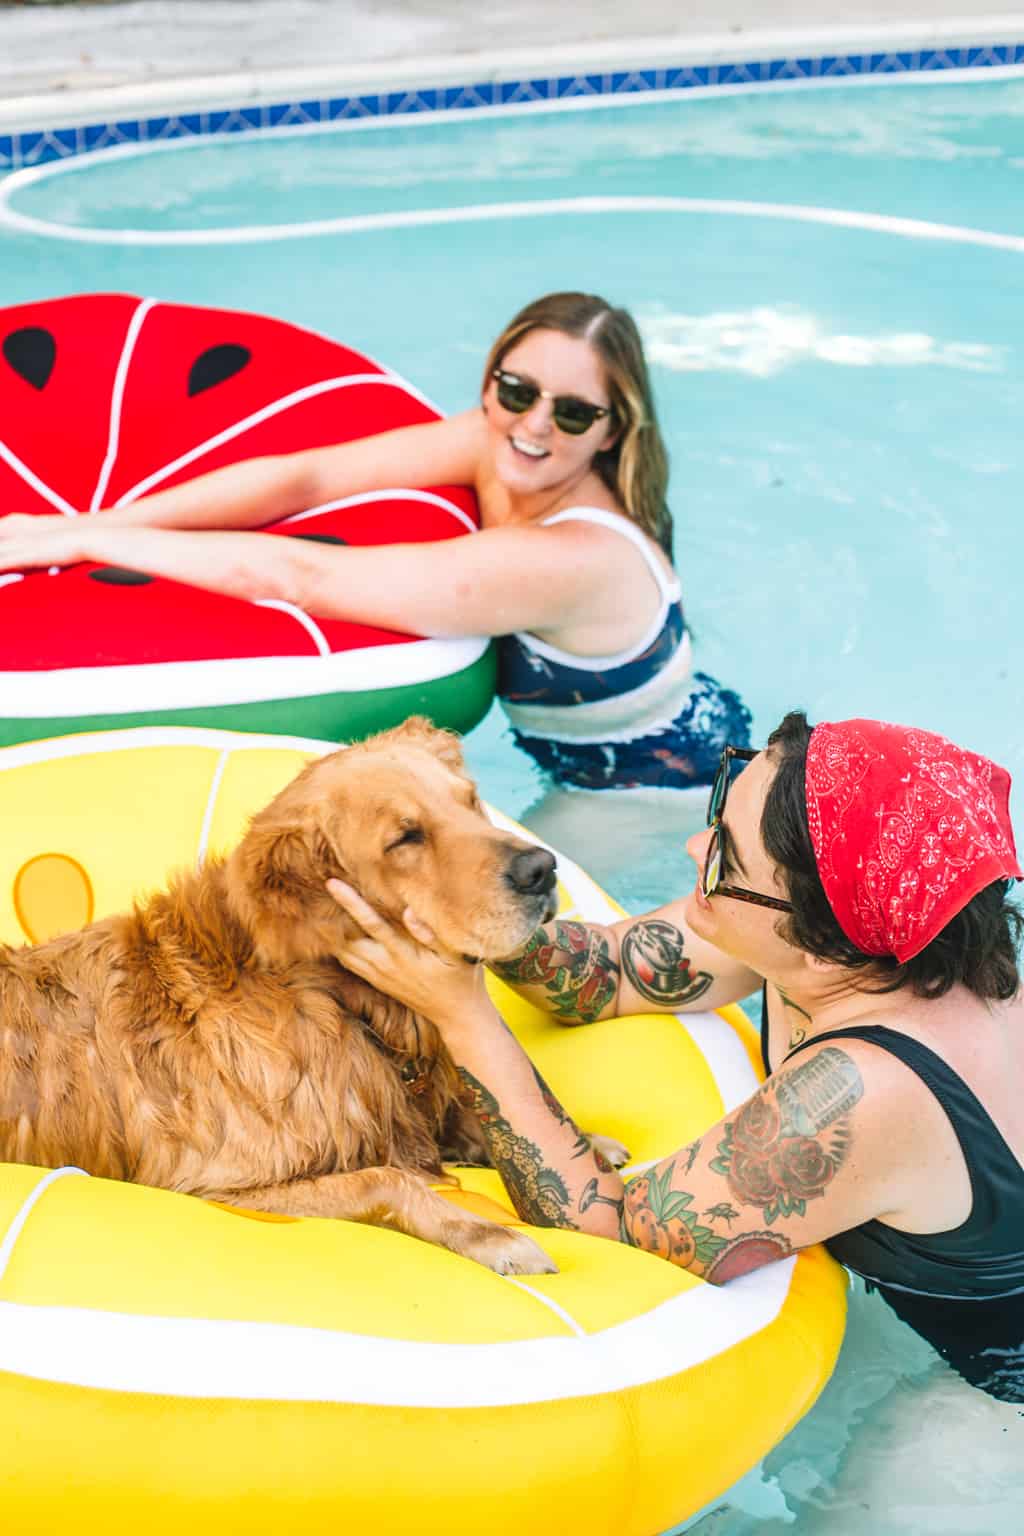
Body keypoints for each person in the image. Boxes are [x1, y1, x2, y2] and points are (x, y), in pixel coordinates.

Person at [324, 711, 1024, 1404]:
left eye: (727, 854)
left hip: (994, 1371)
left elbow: (610, 1231)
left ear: (818, 939)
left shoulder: (865, 1090)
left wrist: (462, 1015)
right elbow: (602, 975)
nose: (695, 847)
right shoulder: (863, 922)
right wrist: (453, 901)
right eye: (720, 812)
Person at [0, 291, 750, 816]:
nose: (535, 424)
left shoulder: (568, 559)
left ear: (612, 432)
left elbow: (303, 574)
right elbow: (307, 476)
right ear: (492, 381)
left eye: (575, 412)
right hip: (620, 729)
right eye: (516, 390)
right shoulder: (500, 441)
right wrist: (96, 518)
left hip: (639, 786)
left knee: (478, 942)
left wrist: (86, 540)